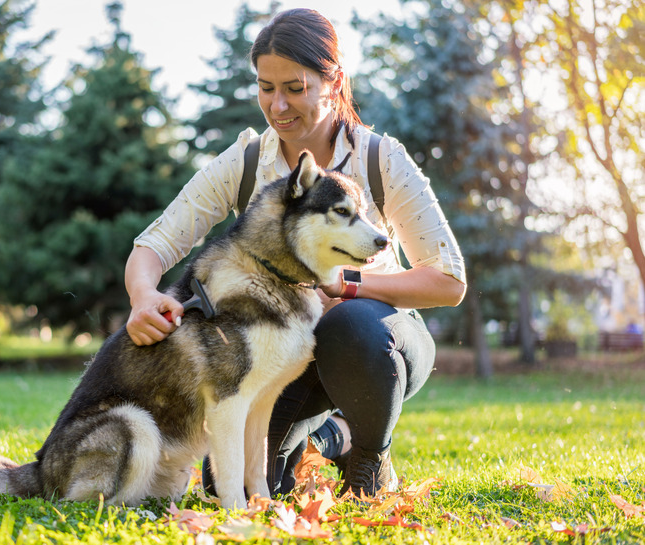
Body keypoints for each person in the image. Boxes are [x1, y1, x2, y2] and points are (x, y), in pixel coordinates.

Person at [124, 8, 466, 498]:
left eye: (295, 87)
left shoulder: (379, 159)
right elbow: (155, 244)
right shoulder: (246, 162)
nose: (278, 105)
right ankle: (335, 435)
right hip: (282, 353)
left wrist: (348, 287)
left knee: (351, 324)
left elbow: (450, 281)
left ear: (333, 81)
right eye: (266, 87)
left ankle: (371, 456)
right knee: (236, 484)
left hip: (377, 345)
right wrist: (141, 295)